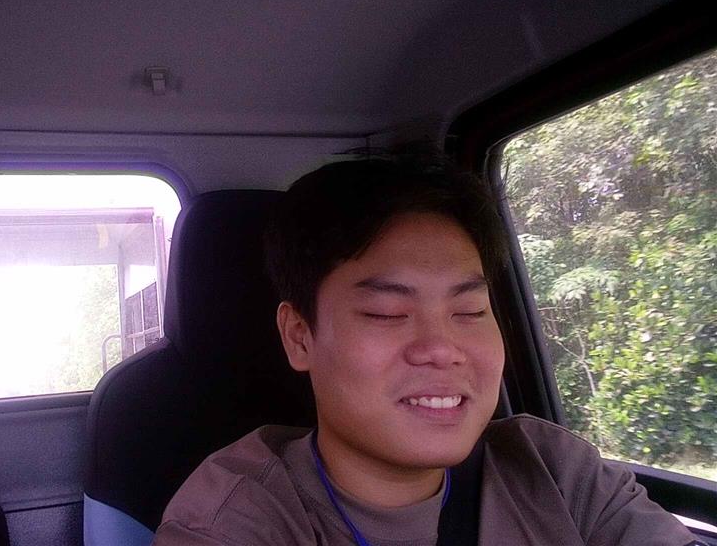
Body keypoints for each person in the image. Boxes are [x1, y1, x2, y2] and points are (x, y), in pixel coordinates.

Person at [151, 150, 698, 545]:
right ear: (299, 336)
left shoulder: (554, 470)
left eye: (470, 311)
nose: (442, 349)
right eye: (387, 313)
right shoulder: (234, 520)